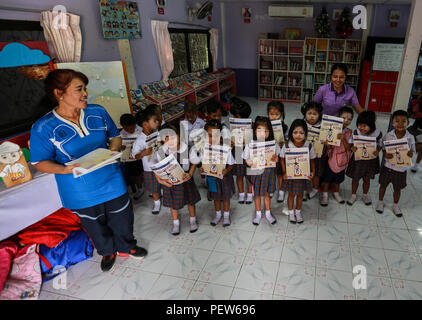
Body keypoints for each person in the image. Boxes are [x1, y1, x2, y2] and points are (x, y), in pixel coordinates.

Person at [30, 69, 147, 272]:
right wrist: (64, 170)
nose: (86, 93)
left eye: (85, 88)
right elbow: (40, 162)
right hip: (78, 188)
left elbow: (115, 135)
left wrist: (113, 148)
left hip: (111, 178)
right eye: (79, 89)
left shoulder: (97, 112)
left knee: (122, 216)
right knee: (95, 225)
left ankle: (126, 246)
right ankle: (107, 252)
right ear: (59, 93)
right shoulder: (43, 127)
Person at [153, 123, 201, 235]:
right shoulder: (161, 151)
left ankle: (193, 220)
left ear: (179, 135)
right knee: (173, 204)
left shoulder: (188, 149)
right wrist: (160, 180)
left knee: (190, 201)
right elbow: (155, 167)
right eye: (166, 138)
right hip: (170, 183)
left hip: (186, 181)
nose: (170, 141)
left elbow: (194, 163)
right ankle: (176, 223)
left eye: (173, 137)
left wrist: (190, 174)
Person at [191, 119, 235, 227]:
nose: (212, 139)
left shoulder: (226, 149)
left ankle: (226, 215)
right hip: (211, 178)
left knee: (225, 198)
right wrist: (200, 169)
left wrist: (227, 170)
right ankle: (218, 214)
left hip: (224, 178)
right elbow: (201, 164)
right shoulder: (204, 149)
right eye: (209, 136)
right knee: (216, 197)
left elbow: (231, 163)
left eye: (215, 136)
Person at [376, 110, 416, 217]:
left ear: (408, 122)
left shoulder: (410, 137)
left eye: (403, 121)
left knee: (397, 188)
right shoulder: (388, 135)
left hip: (401, 169)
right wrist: (385, 154)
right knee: (383, 185)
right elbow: (384, 149)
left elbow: (412, 152)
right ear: (392, 123)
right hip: (388, 167)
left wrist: (410, 153)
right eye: (396, 121)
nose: (400, 124)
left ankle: (395, 205)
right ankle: (380, 202)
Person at [243, 116, 280, 226]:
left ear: (269, 132)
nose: (262, 133)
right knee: (257, 195)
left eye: (265, 131)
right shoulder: (250, 144)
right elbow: (245, 158)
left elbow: (277, 156)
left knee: (267, 194)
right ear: (254, 131)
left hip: (268, 174)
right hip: (256, 174)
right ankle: (258, 214)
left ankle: (268, 213)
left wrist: (276, 159)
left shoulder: (273, 144)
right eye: (259, 130)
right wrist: (248, 162)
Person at [280, 119, 316, 224]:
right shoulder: (287, 145)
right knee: (291, 194)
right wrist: (284, 172)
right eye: (295, 132)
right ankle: (291, 212)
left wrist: (313, 172)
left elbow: (312, 160)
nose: (298, 135)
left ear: (305, 133)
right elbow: (282, 159)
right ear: (291, 133)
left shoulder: (308, 145)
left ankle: (298, 212)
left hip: (303, 175)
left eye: (301, 133)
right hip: (291, 175)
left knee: (300, 194)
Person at [346, 110, 382, 206]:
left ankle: (365, 195)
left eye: (364, 126)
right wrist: (351, 148)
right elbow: (350, 144)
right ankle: (353, 195)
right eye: (359, 125)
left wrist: (377, 151)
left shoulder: (378, 134)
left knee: (367, 179)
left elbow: (380, 145)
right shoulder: (356, 132)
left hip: (370, 161)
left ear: (372, 124)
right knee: (355, 179)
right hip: (358, 161)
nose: (361, 128)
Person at [320, 106, 354, 206]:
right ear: (338, 117)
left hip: (342, 160)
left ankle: (336, 193)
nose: (346, 121)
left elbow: (349, 148)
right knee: (327, 178)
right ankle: (325, 194)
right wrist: (327, 144)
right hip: (332, 159)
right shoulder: (332, 128)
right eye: (344, 118)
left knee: (338, 179)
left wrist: (343, 139)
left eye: (349, 119)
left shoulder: (350, 132)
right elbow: (329, 147)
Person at [131, 108, 161, 214]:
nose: (157, 122)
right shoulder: (140, 140)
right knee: (153, 187)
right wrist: (143, 153)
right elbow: (134, 156)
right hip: (149, 168)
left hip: (161, 164)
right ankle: (157, 203)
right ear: (145, 124)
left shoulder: (157, 133)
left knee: (163, 182)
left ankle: (162, 194)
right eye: (154, 121)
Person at [230, 100, 254, 204]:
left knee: (249, 175)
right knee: (239, 175)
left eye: (236, 116)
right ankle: (241, 194)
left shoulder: (252, 126)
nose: (234, 118)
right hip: (237, 151)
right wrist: (230, 142)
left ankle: (249, 194)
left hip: (249, 153)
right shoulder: (232, 126)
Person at [301, 102, 324, 200]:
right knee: (304, 172)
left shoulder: (323, 126)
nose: (312, 116)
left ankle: (315, 189)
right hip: (304, 155)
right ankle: (304, 189)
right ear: (305, 114)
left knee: (316, 173)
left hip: (317, 155)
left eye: (315, 114)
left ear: (319, 115)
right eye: (309, 113)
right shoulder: (301, 124)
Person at [267, 101, 289, 203]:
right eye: (271, 114)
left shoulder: (284, 127)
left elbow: (288, 140)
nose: (274, 117)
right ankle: (271, 190)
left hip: (280, 154)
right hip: (269, 154)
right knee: (270, 173)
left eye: (277, 114)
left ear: (281, 114)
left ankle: (281, 191)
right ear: (268, 114)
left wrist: (284, 142)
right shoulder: (265, 125)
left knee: (280, 173)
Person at [119, 113, 144, 200]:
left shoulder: (141, 130)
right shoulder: (121, 134)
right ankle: (140, 188)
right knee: (135, 173)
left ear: (135, 124)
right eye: (127, 129)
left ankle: (144, 184)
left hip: (142, 155)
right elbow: (121, 146)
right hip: (130, 158)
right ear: (122, 126)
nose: (130, 130)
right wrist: (122, 147)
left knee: (143, 171)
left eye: (132, 128)